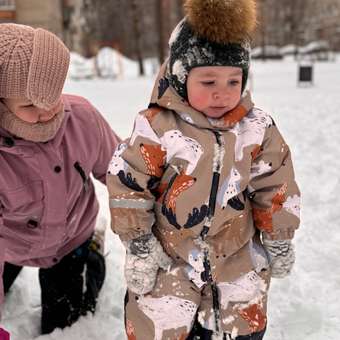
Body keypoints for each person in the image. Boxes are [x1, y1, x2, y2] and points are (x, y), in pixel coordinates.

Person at [107, 0, 301, 339]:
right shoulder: (157, 127)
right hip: (171, 252)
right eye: (208, 81)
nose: (222, 94)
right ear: (181, 77)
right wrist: (139, 244)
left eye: (232, 81)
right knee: (158, 321)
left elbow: (275, 184)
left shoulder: (256, 129)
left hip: (236, 253)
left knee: (242, 320)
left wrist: (278, 236)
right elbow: (128, 183)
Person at [0, 23, 120, 334]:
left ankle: (93, 253)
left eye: (51, 96)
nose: (47, 110)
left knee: (65, 324)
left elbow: (122, 171)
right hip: (9, 243)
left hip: (70, 238)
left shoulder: (81, 118)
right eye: (29, 104)